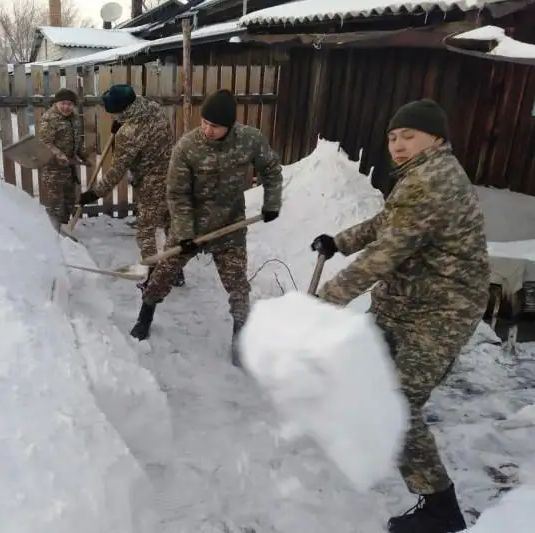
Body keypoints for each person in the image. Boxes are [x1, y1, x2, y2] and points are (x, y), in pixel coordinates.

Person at [311, 98, 490, 533]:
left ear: (438, 139)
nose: (398, 145)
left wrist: (323, 301)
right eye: (393, 137)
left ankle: (440, 508)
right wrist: (340, 240)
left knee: (398, 404)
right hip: (403, 303)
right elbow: (388, 223)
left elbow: (386, 254)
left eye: (409, 136)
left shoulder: (433, 180)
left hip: (439, 311)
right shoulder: (419, 176)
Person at [129, 89, 283, 367]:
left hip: (230, 226)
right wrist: (186, 234)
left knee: (238, 287)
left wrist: (272, 202)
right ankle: (145, 316)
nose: (208, 130)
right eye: (204, 123)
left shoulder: (250, 140)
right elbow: (176, 194)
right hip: (190, 225)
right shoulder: (187, 147)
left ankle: (241, 340)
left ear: (230, 125)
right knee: (162, 275)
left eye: (215, 126)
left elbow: (271, 168)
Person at [76, 83, 185, 289]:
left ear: (121, 110)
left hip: (153, 182)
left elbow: (117, 170)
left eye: (115, 114)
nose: (113, 117)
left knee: (146, 230)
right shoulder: (151, 106)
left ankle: (155, 278)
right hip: (175, 173)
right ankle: (176, 272)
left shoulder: (129, 133)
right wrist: (121, 124)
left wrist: (94, 193)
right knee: (171, 224)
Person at [36, 88, 90, 230]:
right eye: (63, 103)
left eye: (70, 104)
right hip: (53, 170)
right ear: (56, 103)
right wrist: (59, 154)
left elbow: (77, 139)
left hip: (69, 169)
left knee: (69, 201)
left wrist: (83, 154)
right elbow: (44, 142)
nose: (67, 107)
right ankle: (55, 233)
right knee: (56, 203)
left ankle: (64, 231)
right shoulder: (49, 119)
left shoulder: (75, 119)